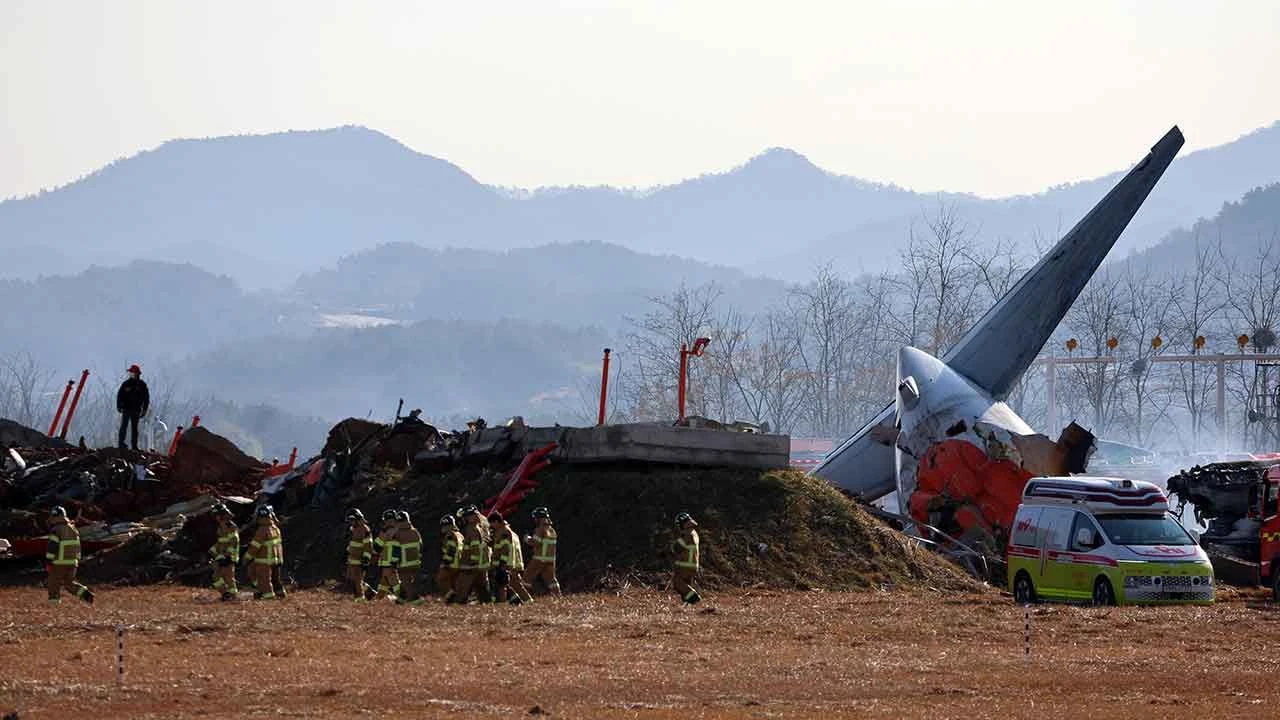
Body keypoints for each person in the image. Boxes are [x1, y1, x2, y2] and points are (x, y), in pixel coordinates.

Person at [45, 506, 94, 605]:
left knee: (53, 584)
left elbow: (52, 547)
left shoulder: (56, 529)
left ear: (54, 516)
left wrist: (49, 561)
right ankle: (85, 594)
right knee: (69, 584)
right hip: (73, 562)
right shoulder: (73, 529)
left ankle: (53, 605)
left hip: (59, 562)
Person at [448, 506, 491, 604]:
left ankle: (458, 604)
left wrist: (472, 562)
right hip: (480, 564)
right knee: (482, 588)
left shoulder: (471, 529)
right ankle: (488, 604)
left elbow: (475, 547)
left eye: (465, 517)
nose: (463, 520)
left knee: (462, 587)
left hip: (470, 565)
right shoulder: (479, 528)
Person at [490, 511, 532, 605]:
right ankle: (524, 602)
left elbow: (505, 549)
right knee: (514, 584)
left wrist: (501, 563)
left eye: (492, 523)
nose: (492, 526)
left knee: (505, 585)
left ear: (496, 521)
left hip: (506, 564)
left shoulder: (504, 532)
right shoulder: (510, 532)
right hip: (513, 562)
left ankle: (522, 602)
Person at [244, 505, 285, 600]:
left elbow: (255, 547)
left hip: (264, 561)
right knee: (276, 579)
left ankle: (268, 597)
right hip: (277, 560)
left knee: (263, 580)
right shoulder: (275, 528)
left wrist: (246, 558)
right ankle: (280, 594)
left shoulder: (262, 531)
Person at [523, 507, 561, 596]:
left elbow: (535, 543)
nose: (534, 520)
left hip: (540, 558)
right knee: (551, 580)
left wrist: (527, 539)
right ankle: (558, 597)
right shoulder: (552, 530)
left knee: (526, 578)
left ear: (538, 518)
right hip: (550, 559)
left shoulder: (540, 529)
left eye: (535, 518)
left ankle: (524, 598)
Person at [116, 364, 150, 451]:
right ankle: (121, 444)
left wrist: (144, 410)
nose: (131, 374)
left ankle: (134, 446)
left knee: (134, 428)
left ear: (137, 373)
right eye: (130, 372)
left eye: (132, 372)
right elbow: (120, 395)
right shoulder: (126, 384)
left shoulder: (142, 385)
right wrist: (119, 406)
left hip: (136, 410)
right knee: (124, 426)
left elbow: (146, 398)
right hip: (126, 409)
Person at [209, 504, 240, 601]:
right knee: (216, 576)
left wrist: (227, 555)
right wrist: (213, 550)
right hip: (222, 555)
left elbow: (234, 541)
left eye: (217, 515)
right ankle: (226, 594)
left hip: (229, 556)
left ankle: (233, 597)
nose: (216, 518)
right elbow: (221, 542)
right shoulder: (221, 526)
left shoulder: (230, 526)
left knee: (228, 577)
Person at [672, 512, 702, 604]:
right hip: (692, 564)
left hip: (687, 565)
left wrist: (666, 552)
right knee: (686, 586)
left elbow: (677, 547)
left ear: (682, 523)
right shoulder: (694, 532)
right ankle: (690, 603)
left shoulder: (688, 534)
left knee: (678, 582)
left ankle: (695, 598)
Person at [395, 510, 424, 605]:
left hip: (404, 562)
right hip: (415, 562)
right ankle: (401, 600)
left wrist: (393, 561)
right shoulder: (415, 531)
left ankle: (415, 600)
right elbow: (421, 546)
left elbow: (395, 548)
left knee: (406, 582)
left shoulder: (398, 533)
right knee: (407, 582)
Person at [345, 509, 374, 602]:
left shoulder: (364, 529)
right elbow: (353, 543)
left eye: (352, 519)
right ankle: (370, 593)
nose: (351, 522)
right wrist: (347, 552)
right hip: (352, 559)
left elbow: (368, 546)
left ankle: (360, 599)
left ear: (358, 518)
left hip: (360, 560)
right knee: (352, 579)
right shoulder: (353, 529)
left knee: (357, 581)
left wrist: (365, 559)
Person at [372, 509, 401, 600]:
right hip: (389, 560)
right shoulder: (398, 529)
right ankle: (378, 598)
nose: (385, 522)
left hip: (389, 561)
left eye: (387, 520)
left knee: (393, 581)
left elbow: (378, 545)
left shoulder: (387, 531)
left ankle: (404, 598)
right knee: (384, 581)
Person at [437, 514, 464, 601]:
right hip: (459, 563)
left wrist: (446, 563)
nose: (442, 528)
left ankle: (450, 597)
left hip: (452, 564)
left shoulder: (450, 535)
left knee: (441, 579)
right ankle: (455, 599)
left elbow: (451, 550)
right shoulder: (459, 535)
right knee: (454, 583)